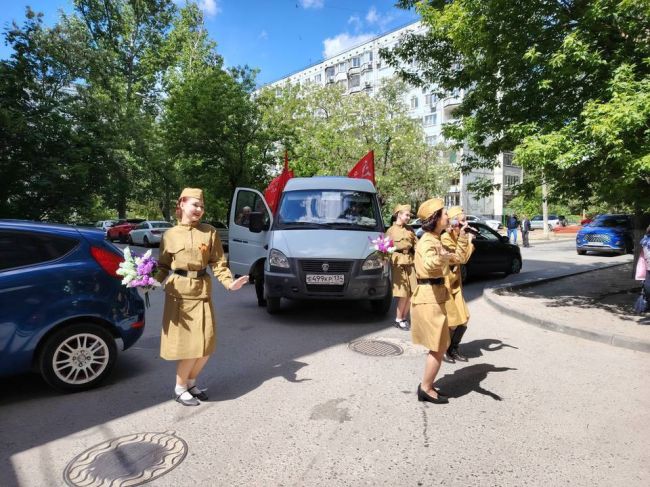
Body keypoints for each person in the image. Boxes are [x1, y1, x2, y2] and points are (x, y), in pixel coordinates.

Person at [156, 188, 249, 406]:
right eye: (195, 205)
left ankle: (190, 382)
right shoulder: (169, 235)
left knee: (206, 345)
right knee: (189, 346)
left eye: (202, 206)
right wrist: (150, 279)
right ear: (181, 205)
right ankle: (180, 387)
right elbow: (162, 265)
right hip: (178, 294)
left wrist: (229, 282)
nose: (199, 209)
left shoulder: (209, 232)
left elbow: (218, 262)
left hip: (202, 292)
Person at [410, 198, 457, 404]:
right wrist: (442, 256)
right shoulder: (428, 241)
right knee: (438, 347)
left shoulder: (436, 238)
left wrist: (462, 239)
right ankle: (426, 388)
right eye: (444, 213)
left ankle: (428, 384)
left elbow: (459, 258)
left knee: (439, 345)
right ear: (435, 218)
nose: (448, 216)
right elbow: (429, 264)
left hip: (436, 294)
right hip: (429, 297)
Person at [441, 206, 475, 362]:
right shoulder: (446, 238)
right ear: (454, 223)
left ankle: (453, 348)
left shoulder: (458, 236)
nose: (465, 223)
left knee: (464, 318)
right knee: (452, 321)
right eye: (462, 220)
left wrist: (468, 240)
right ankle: (442, 350)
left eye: (465, 220)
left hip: (456, 284)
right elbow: (459, 258)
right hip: (447, 284)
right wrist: (464, 238)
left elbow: (465, 258)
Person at [385, 204, 418, 330]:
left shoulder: (410, 230)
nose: (409, 217)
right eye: (407, 215)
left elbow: (417, 246)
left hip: (410, 262)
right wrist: (384, 261)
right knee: (403, 293)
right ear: (399, 214)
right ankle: (398, 319)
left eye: (409, 215)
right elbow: (384, 249)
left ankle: (404, 318)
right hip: (398, 262)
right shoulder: (391, 231)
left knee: (412, 292)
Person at [636, 225, 650, 310]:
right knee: (648, 286)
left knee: (647, 286)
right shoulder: (646, 241)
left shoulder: (645, 241)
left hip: (648, 267)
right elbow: (643, 255)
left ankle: (647, 302)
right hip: (648, 267)